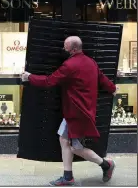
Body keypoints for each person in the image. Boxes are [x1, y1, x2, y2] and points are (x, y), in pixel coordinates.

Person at [21, 36, 117, 186]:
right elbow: (102, 78)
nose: (63, 49)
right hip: (82, 111)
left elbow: (49, 81)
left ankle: (106, 164)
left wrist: (29, 77)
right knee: (63, 139)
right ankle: (68, 176)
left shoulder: (69, 65)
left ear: (73, 49)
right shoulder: (91, 62)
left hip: (76, 113)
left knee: (76, 147)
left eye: (65, 47)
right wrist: (112, 88)